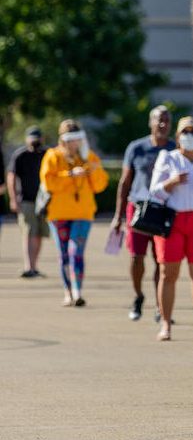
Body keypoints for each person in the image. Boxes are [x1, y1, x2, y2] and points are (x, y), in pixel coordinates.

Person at [111, 105, 175, 321]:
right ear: (151, 122)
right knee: (137, 257)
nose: (163, 124)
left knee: (161, 260)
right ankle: (138, 296)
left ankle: (160, 305)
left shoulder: (174, 149)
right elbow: (125, 182)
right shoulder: (137, 148)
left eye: (167, 120)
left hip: (163, 210)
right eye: (159, 120)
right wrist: (118, 216)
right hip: (138, 208)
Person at [40, 120, 109, 307]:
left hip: (82, 213)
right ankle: (68, 292)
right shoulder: (53, 156)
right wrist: (70, 175)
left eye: (78, 139)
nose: (74, 143)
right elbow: (48, 183)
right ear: (63, 139)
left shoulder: (89, 156)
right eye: (71, 139)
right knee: (64, 254)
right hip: (59, 213)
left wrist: (92, 168)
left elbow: (100, 185)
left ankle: (78, 291)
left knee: (76, 251)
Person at [149, 116, 193, 342]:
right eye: (185, 132)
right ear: (178, 136)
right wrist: (171, 182)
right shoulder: (169, 158)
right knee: (168, 273)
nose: (189, 136)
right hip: (172, 221)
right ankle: (166, 323)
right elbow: (154, 191)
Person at [6, 126, 49, 277]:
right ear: (26, 139)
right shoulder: (20, 155)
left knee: (39, 234)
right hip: (26, 201)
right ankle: (28, 266)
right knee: (29, 233)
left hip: (44, 202)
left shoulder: (47, 154)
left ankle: (34, 266)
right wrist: (13, 199)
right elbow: (11, 177)